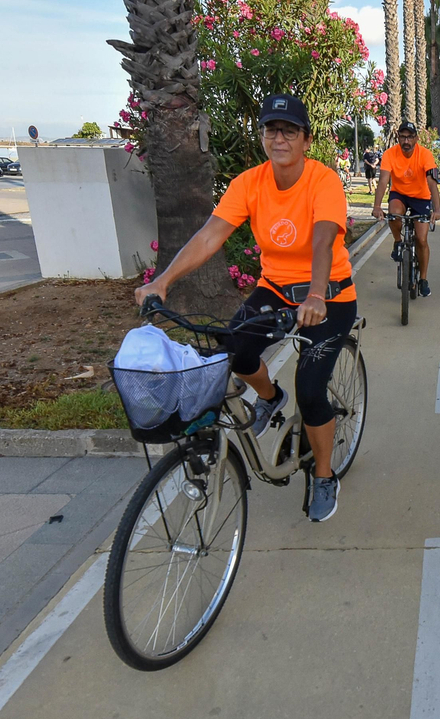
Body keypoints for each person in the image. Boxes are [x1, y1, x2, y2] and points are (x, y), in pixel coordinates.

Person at [134, 93, 355, 522]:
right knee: (233, 351)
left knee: (312, 391)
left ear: (306, 140)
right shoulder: (249, 183)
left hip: (329, 295)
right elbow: (209, 236)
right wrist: (162, 280)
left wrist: (315, 295)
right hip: (273, 289)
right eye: (271, 129)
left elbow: (325, 239)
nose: (279, 138)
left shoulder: (323, 181)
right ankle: (271, 397)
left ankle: (325, 474)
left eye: (289, 131)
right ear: (262, 137)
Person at [372, 123, 440, 298]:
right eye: (403, 137)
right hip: (400, 194)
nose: (406, 141)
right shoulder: (390, 154)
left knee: (421, 239)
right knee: (394, 213)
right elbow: (383, 182)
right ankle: (397, 241)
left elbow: (432, 183)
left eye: (410, 137)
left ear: (416, 139)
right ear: (398, 138)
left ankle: (423, 279)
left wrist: (438, 209)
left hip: (421, 197)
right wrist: (376, 206)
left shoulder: (425, 155)